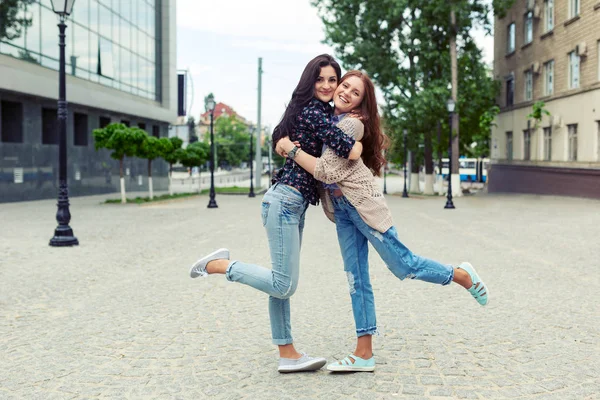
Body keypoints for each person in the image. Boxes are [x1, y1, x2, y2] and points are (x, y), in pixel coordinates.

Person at [276, 70, 489, 372]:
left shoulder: (350, 124)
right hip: (343, 212)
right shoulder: (326, 122)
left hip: (365, 208)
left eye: (356, 92)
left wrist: (291, 150)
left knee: (404, 265)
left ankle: (461, 275)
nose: (346, 92)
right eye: (344, 85)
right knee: (356, 279)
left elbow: (325, 170)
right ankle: (364, 354)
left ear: (361, 104)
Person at [188, 54, 363, 373]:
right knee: (283, 283)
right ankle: (219, 265)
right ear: (310, 82)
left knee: (278, 281)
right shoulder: (314, 111)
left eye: (332, 79)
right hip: (284, 201)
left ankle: (287, 353)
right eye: (320, 79)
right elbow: (347, 148)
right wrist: (358, 146)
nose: (326, 85)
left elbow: (284, 141)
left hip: (292, 203)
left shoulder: (315, 112)